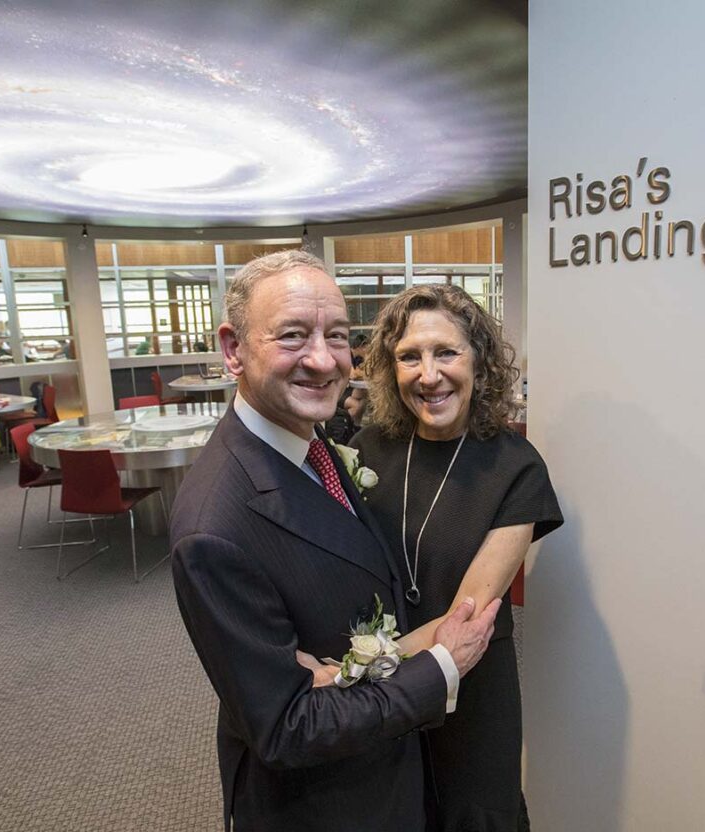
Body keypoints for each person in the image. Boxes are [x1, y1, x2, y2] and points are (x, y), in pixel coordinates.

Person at [169, 251, 503, 832]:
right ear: (233, 350)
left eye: (338, 336)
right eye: (293, 336)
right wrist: (440, 665)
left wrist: (341, 675)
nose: (323, 360)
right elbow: (289, 726)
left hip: (382, 767)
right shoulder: (214, 527)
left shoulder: (316, 442)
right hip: (324, 804)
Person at [343, 284, 563, 831]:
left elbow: (464, 622)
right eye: (409, 357)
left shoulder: (516, 467)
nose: (429, 374)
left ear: (479, 361)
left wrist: (349, 673)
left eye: (446, 352)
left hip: (469, 689)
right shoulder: (367, 449)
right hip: (382, 698)